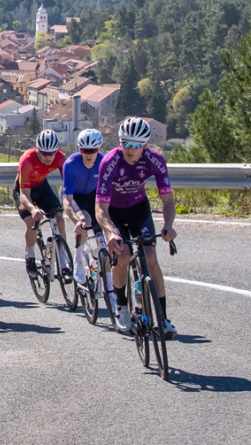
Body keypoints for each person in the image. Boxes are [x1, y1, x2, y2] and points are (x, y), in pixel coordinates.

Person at [94, 117, 178, 338]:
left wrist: (168, 226)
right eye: (125, 143)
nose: (130, 149)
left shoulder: (155, 160)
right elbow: (100, 208)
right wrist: (110, 232)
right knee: (123, 256)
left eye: (136, 145)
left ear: (146, 145)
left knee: (151, 257)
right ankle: (122, 307)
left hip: (139, 208)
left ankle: (163, 318)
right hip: (114, 212)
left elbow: (168, 201)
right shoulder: (110, 162)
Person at [15, 129, 68, 277]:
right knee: (33, 222)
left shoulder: (60, 158)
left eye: (51, 153)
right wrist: (32, 209)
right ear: (38, 151)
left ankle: (63, 260)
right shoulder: (27, 160)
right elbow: (24, 195)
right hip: (25, 191)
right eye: (44, 153)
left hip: (43, 188)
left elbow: (68, 184)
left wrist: (70, 201)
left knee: (59, 219)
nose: (48, 157)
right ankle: (30, 255)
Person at [61, 129, 103, 283]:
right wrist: (76, 220)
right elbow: (67, 200)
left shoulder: (104, 162)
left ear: (98, 149)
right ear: (80, 149)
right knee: (85, 221)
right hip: (75, 197)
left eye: (93, 151)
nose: (89, 154)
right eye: (85, 150)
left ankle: (104, 267)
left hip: (93, 197)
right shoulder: (71, 164)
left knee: (103, 228)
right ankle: (79, 260)